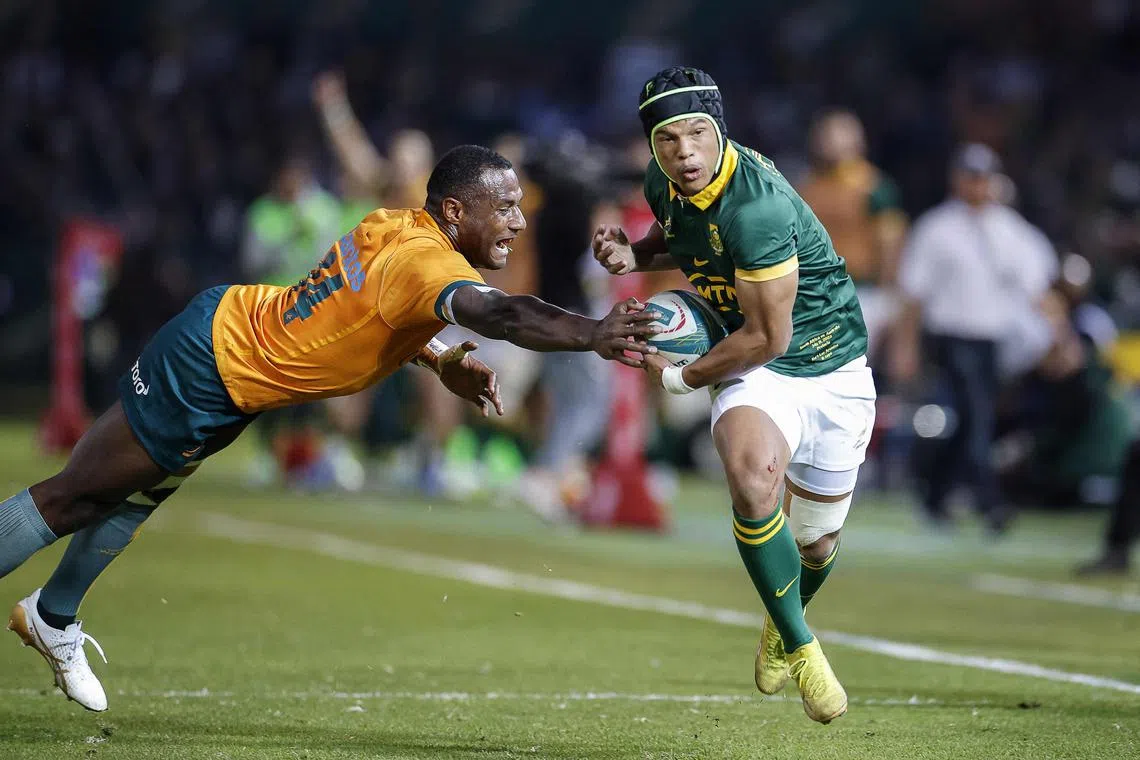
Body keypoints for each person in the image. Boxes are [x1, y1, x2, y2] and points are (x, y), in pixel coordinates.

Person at [1, 145, 662, 712]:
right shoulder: (427, 263)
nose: (518, 222)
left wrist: (436, 362)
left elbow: (360, 314)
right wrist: (595, 332)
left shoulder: (394, 226)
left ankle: (55, 614)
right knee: (72, 498)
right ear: (456, 211)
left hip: (231, 360)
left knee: (139, 493)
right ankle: (52, 613)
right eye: (506, 207)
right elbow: (508, 317)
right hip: (211, 366)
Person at [594, 67, 875, 724]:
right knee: (753, 481)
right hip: (753, 359)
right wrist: (635, 257)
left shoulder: (759, 207)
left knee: (817, 547)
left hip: (824, 362)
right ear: (652, 142)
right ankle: (803, 646)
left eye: (696, 134)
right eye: (668, 139)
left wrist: (679, 377)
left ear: (720, 130)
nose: (684, 153)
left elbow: (770, 336)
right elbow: (676, 230)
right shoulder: (662, 182)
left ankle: (782, 623)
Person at [892, 144, 1056, 534]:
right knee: (977, 417)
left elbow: (1036, 286)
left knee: (970, 420)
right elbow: (913, 295)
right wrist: (905, 346)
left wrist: (1056, 329)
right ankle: (992, 504)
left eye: (983, 177)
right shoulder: (937, 228)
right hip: (951, 336)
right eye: (971, 176)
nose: (977, 185)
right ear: (957, 179)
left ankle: (935, 497)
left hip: (992, 340)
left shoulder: (1010, 230)